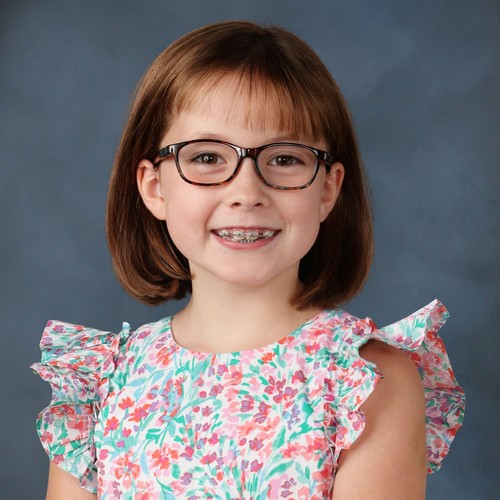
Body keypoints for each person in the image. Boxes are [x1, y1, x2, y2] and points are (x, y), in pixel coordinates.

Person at [32, 20, 465, 499]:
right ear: (154, 187)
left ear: (328, 189)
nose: (246, 192)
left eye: (284, 159)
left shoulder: (365, 380)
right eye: (207, 157)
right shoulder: (101, 385)